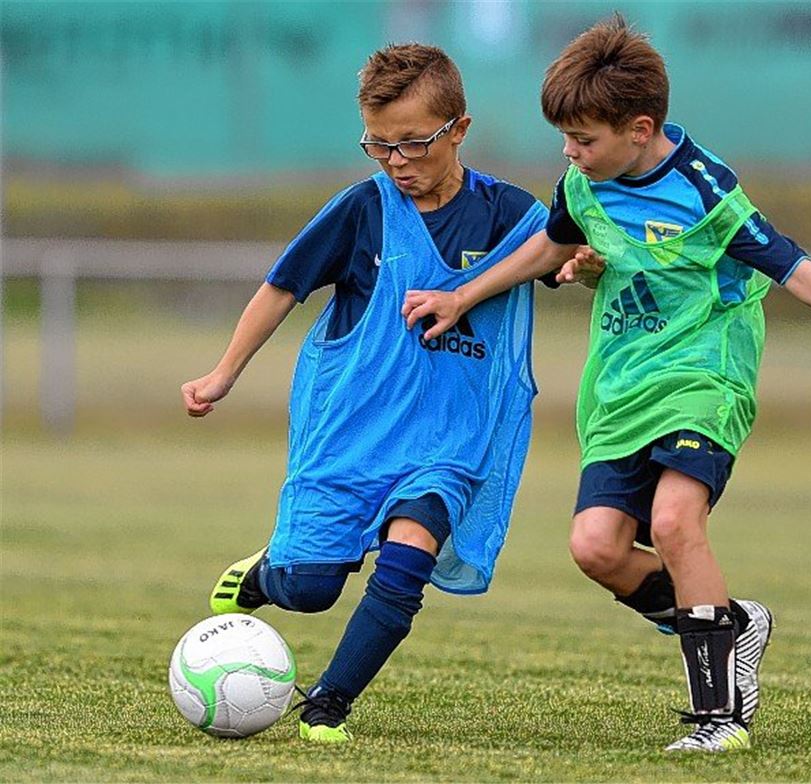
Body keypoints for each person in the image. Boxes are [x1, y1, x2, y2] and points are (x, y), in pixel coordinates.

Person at [402, 15, 811, 754]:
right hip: (622, 387)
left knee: (676, 522)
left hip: (704, 375)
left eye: (583, 140)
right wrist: (463, 295)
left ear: (640, 128)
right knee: (595, 547)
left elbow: (796, 268)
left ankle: (720, 717)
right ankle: (732, 622)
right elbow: (550, 246)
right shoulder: (582, 183)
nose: (569, 153)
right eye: (565, 139)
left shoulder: (704, 190)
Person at [181, 43, 552, 744]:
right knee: (313, 588)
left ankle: (327, 705)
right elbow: (281, 287)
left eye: (413, 143)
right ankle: (268, 574)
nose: (396, 160)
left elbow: (562, 259)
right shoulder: (362, 211)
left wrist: (581, 266)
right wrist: (224, 371)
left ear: (459, 130)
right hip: (349, 437)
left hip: (448, 440)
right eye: (378, 145)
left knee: (408, 559)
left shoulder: (510, 215)